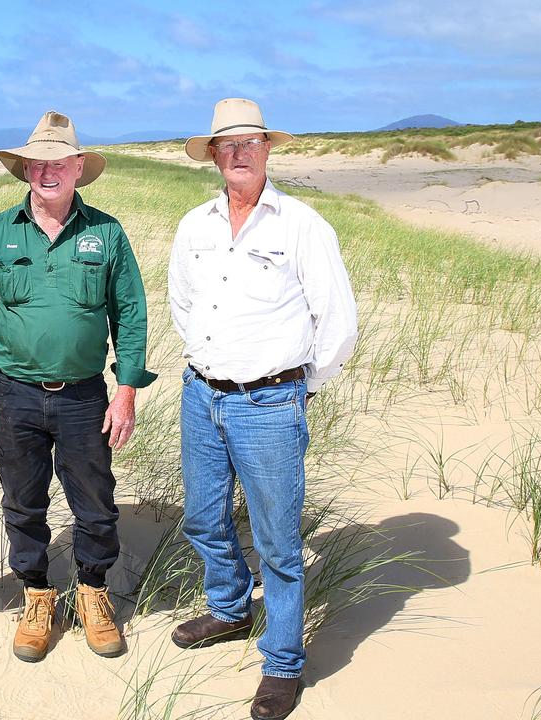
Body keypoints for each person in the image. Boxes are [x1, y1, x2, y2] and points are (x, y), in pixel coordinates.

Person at [167, 98, 358, 719]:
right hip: (202, 394)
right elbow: (183, 303)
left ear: (268, 149)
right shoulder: (195, 224)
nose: (241, 153)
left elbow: (338, 323)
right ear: (215, 156)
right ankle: (228, 608)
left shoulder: (302, 225)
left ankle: (282, 661)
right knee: (202, 517)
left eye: (252, 142)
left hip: (270, 402)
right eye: (230, 144)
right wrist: (208, 360)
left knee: (277, 541)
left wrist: (296, 386)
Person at [0, 111, 156, 663]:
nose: (49, 171)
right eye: (38, 162)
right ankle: (38, 595)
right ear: (26, 170)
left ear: (77, 167)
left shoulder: (106, 232)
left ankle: (92, 590)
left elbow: (130, 313)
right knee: (22, 502)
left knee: (95, 502)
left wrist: (126, 389)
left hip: (85, 393)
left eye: (59, 161)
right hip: (12, 393)